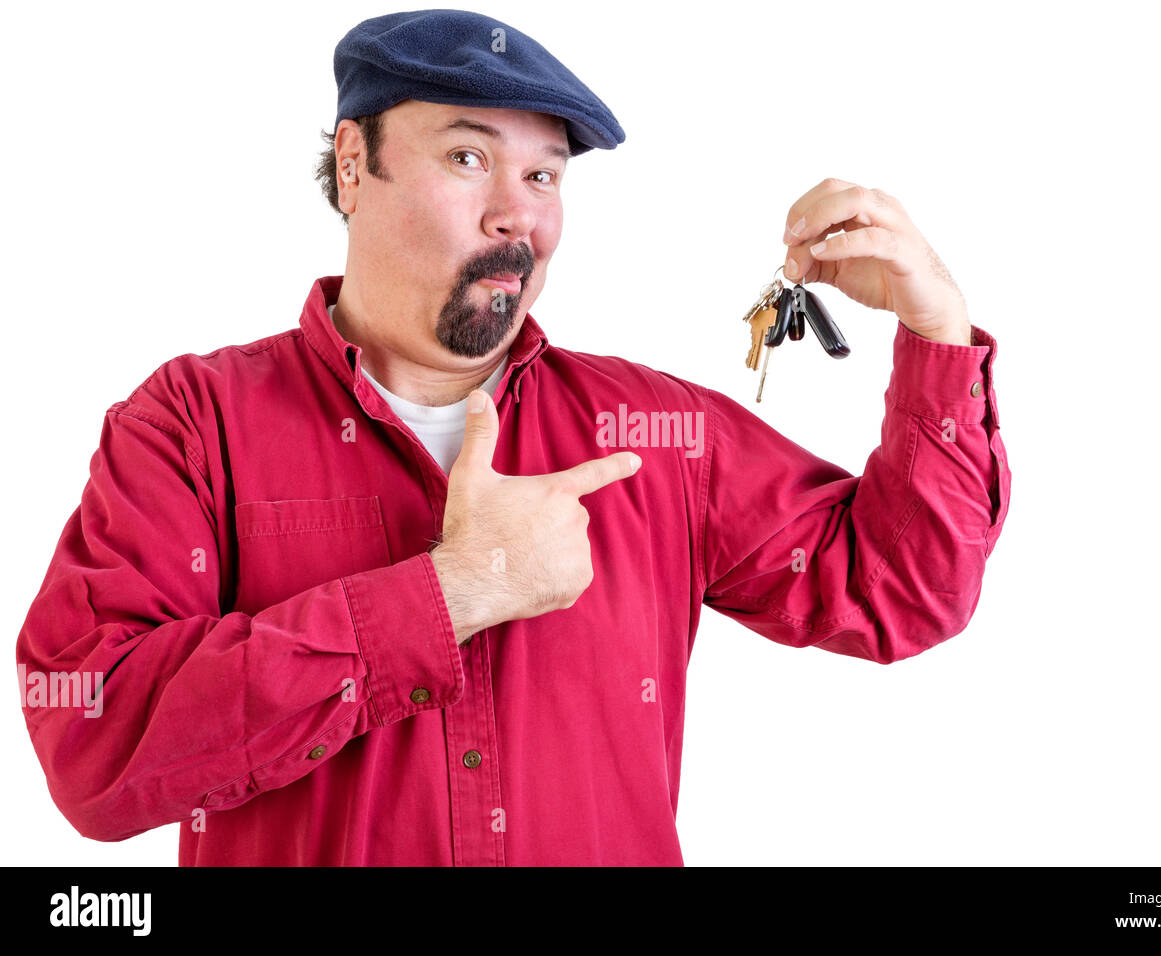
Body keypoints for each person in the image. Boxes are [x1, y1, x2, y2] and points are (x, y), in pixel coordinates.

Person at [16, 9, 1010, 865]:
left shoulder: (655, 435)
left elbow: (903, 590)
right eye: (468, 156)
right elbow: (92, 744)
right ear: (355, 165)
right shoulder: (194, 422)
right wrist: (452, 593)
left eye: (544, 174)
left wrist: (935, 329)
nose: (515, 212)